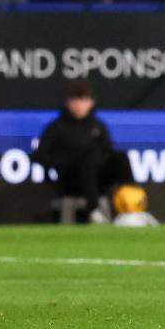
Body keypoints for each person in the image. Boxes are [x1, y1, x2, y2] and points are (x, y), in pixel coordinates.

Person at [31, 81, 132, 224]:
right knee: (86, 162)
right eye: (74, 101)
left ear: (90, 103)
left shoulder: (97, 126)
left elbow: (108, 151)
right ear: (67, 103)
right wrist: (58, 165)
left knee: (120, 157)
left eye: (83, 100)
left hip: (98, 180)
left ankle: (132, 208)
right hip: (70, 179)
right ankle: (93, 211)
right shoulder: (57, 127)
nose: (78, 106)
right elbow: (40, 155)